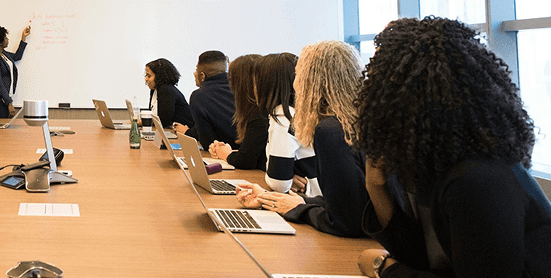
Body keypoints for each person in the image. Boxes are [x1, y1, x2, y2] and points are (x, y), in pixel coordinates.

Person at [353, 17, 551, 278]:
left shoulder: (478, 177)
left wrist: (386, 270)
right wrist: (376, 188)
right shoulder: (437, 165)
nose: (368, 94)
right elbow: (430, 260)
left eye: (377, 83)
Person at [236, 41, 368, 237]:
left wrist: (299, 209)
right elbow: (354, 204)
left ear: (311, 82)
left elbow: (346, 221)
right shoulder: (360, 120)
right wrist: (278, 199)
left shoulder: (331, 130)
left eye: (298, 76)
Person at [247, 52, 319, 195]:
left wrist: (283, 178)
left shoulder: (283, 117)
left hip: (308, 199)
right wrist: (288, 176)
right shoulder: (306, 111)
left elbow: (279, 184)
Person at [208, 54, 267, 170]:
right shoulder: (259, 110)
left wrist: (227, 155)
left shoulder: (259, 115)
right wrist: (227, 151)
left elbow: (246, 161)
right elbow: (254, 153)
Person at [188, 50, 237, 149]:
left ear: (202, 75)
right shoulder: (240, 88)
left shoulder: (198, 96)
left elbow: (207, 142)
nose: (194, 73)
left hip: (222, 155)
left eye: (196, 70)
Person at [0, 24, 30, 118]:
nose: (8, 39)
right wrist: (9, 102)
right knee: (2, 125)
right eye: (5, 38)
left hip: (2, 97)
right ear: (0, 42)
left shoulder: (2, 54)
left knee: (4, 124)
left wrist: (23, 38)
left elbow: (17, 56)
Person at [144, 58, 195, 133]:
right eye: (146, 75)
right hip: (171, 131)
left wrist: (144, 122)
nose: (146, 79)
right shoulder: (154, 90)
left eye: (149, 76)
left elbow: (163, 122)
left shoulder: (165, 90)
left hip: (183, 133)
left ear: (159, 76)